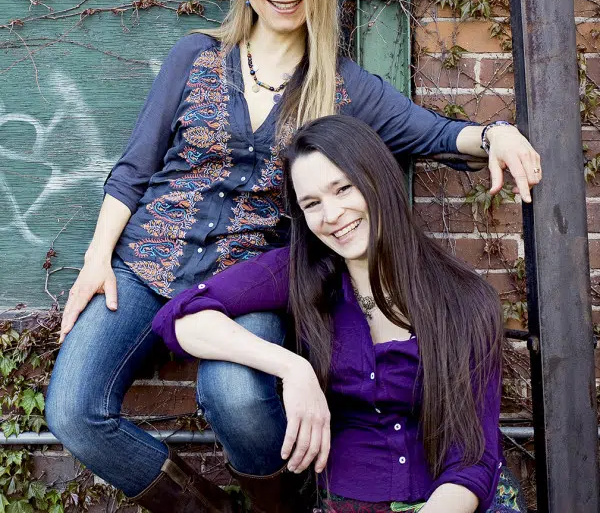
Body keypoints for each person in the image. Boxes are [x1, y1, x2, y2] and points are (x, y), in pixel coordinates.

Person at [45, 0, 540, 510]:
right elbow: (134, 167)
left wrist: (494, 136)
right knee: (73, 411)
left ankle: (277, 502)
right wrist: (97, 259)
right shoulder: (193, 56)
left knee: (238, 395)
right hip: (145, 264)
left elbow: (431, 132)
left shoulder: (345, 87)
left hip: (246, 283)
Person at [153, 115, 526, 513]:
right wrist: (293, 368)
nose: (331, 216)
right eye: (312, 204)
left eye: (343, 189)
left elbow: (473, 456)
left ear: (377, 180)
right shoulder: (299, 273)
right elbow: (179, 316)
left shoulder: (466, 301)